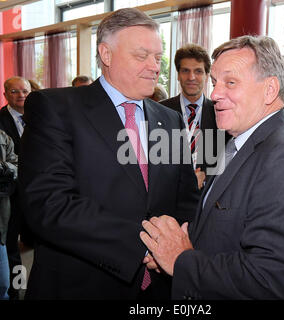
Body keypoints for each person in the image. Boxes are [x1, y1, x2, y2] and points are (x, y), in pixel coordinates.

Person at [18, 7, 199, 300]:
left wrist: (180, 248)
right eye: (142, 56)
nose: (155, 66)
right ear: (106, 54)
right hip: (81, 286)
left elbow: (186, 199)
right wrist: (147, 246)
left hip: (159, 286)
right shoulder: (56, 109)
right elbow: (49, 203)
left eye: (158, 57)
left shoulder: (170, 118)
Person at [140, 35, 284, 299]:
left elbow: (270, 280)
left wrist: (181, 260)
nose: (214, 94)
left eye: (231, 82)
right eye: (215, 83)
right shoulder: (241, 141)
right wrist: (171, 248)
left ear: (270, 90)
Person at [160, 44, 229, 189]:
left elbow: (229, 157)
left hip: (207, 196)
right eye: (185, 71)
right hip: (168, 194)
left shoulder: (222, 112)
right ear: (178, 75)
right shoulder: (159, 111)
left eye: (198, 71)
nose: (191, 77)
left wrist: (206, 177)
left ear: (206, 75)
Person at [0, 76, 31, 300]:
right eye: (14, 92)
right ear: (5, 95)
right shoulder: (0, 122)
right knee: (11, 246)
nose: (21, 96)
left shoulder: (39, 117)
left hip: (36, 192)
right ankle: (14, 291)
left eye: (25, 91)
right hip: (9, 195)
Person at [0, 130, 17, 300]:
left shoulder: (3, 138)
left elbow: (18, 167)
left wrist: (4, 168)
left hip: (1, 226)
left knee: (3, 285)